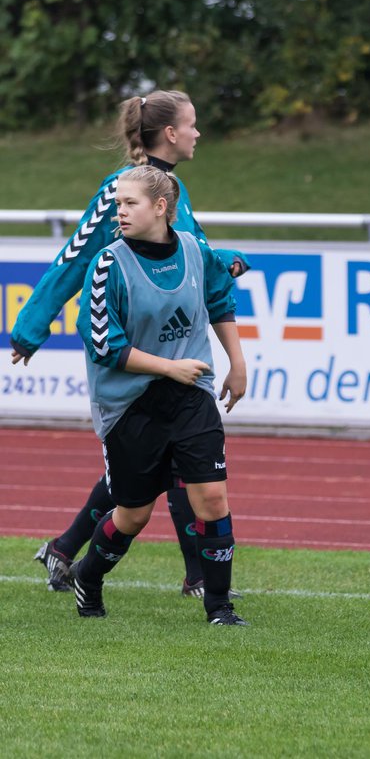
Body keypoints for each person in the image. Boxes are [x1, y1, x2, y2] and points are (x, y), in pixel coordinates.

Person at [11, 91, 249, 598]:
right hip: (129, 356)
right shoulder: (119, 190)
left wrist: (222, 258)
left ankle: (189, 574)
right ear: (169, 134)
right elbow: (74, 257)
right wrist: (31, 326)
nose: (197, 133)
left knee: (170, 464)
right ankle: (172, 571)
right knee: (145, 473)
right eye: (192, 124)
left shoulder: (169, 190)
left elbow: (186, 251)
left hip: (173, 355)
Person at [69, 164, 248, 625]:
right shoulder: (108, 263)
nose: (120, 213)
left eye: (130, 203)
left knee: (212, 499)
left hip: (191, 395)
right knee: (133, 515)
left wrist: (237, 363)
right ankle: (87, 577)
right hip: (130, 404)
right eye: (118, 204)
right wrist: (171, 367)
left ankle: (219, 607)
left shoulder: (192, 249)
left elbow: (219, 295)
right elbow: (103, 345)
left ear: (161, 208)